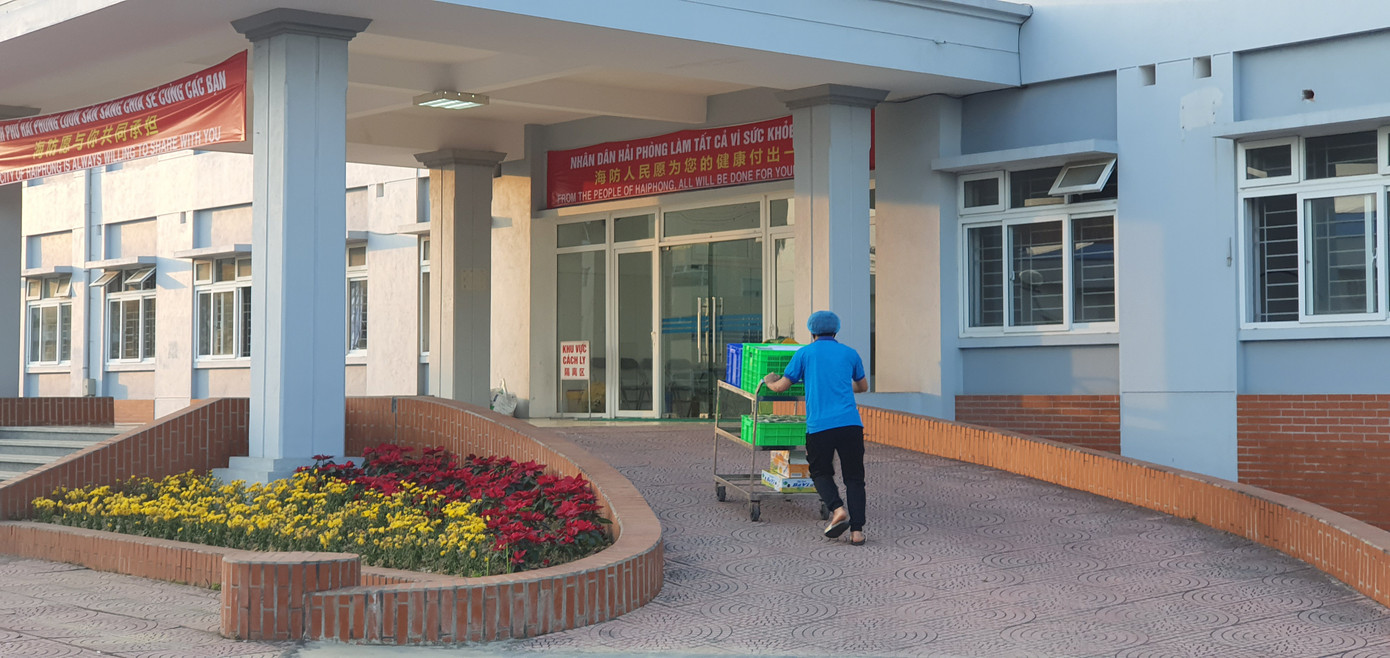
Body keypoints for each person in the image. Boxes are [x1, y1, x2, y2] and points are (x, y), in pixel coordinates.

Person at [762, 310, 869, 546]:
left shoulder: (805, 353)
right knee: (854, 478)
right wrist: (841, 386)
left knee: (820, 473)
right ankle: (857, 532)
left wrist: (769, 381)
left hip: (820, 426)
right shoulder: (850, 353)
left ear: (812, 332)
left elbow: (781, 387)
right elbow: (863, 387)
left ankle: (837, 509)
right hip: (850, 424)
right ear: (836, 330)